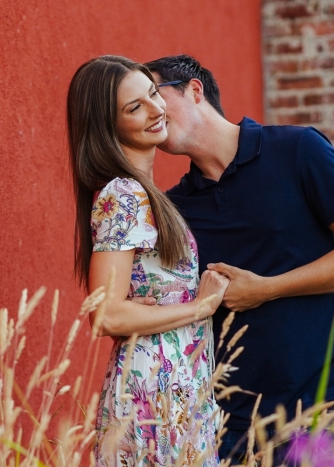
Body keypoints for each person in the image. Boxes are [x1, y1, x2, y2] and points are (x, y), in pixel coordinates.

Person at [143, 55, 334, 465]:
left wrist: (267, 288)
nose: (150, 110)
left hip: (318, 415)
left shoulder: (297, 150)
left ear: (194, 90)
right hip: (226, 431)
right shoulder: (173, 209)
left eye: (154, 94)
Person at [66, 55, 229, 467]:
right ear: (108, 126)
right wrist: (200, 307)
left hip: (177, 393)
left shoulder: (147, 194)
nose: (157, 110)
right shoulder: (125, 195)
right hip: (150, 401)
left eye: (153, 93)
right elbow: (105, 316)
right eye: (135, 107)